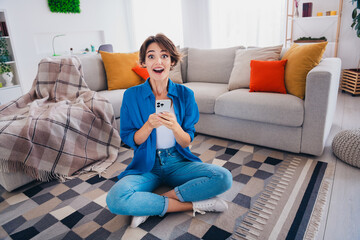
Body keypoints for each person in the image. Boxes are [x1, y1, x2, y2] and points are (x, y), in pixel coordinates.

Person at [106, 33, 233, 228]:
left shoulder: (185, 94)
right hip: (147, 165)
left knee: (223, 177)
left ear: (172, 61)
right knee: (115, 199)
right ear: (143, 62)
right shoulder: (131, 95)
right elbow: (131, 139)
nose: (158, 61)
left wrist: (175, 127)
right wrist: (148, 126)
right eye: (151, 56)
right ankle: (193, 204)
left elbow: (186, 141)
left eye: (164, 55)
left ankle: (153, 205)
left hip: (178, 162)